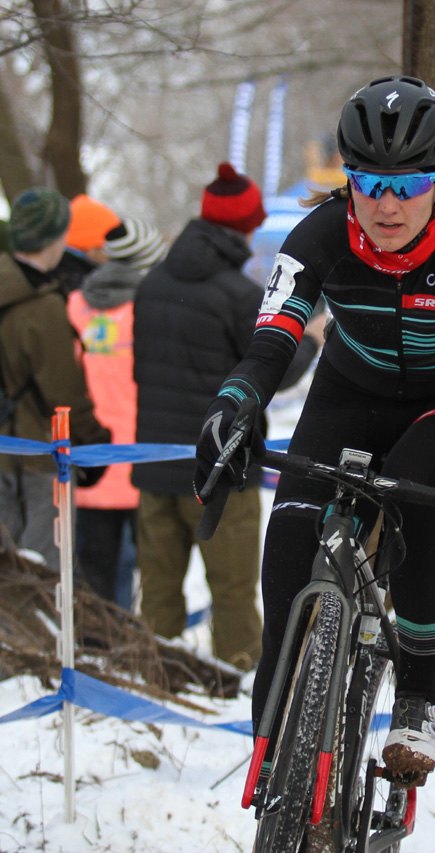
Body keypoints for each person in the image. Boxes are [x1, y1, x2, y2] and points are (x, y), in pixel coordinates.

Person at [193, 75, 435, 786]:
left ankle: (414, 699)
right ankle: (274, 738)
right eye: (369, 181)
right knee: (288, 533)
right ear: (348, 178)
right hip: (352, 389)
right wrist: (234, 403)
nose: (386, 202)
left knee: (415, 495)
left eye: (408, 184)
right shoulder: (317, 233)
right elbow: (270, 342)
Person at [133, 162, 322, 670]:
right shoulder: (239, 295)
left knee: (157, 594)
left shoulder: (149, 285)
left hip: (152, 463)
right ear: (245, 226)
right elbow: (274, 371)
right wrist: (311, 339)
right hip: (222, 466)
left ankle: (157, 681)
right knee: (235, 593)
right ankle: (238, 689)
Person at [0, 188, 110, 567]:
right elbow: (64, 392)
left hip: (7, 453)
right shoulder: (41, 306)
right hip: (33, 460)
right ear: (56, 237)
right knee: (40, 583)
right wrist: (96, 445)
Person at [67, 218, 168, 608]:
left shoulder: (75, 305)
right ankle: (126, 647)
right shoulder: (147, 310)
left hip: (89, 453)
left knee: (93, 563)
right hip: (142, 456)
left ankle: (95, 644)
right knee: (139, 567)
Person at [56, 194, 121, 294]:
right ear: (91, 246)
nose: (113, 255)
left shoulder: (61, 275)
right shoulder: (78, 283)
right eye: (108, 247)